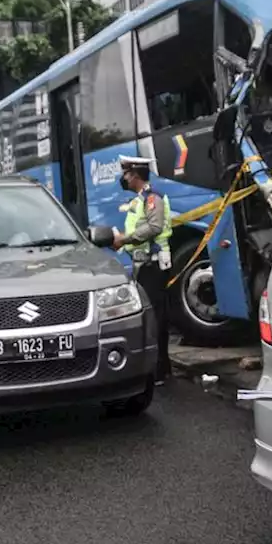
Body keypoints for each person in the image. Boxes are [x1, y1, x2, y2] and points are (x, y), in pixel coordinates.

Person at [110, 156, 173, 385]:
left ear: (135, 174)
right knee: (152, 316)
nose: (124, 178)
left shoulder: (152, 197)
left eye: (126, 173)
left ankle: (160, 369)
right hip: (144, 264)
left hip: (153, 265)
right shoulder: (140, 199)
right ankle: (159, 368)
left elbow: (155, 227)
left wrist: (125, 239)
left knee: (156, 317)